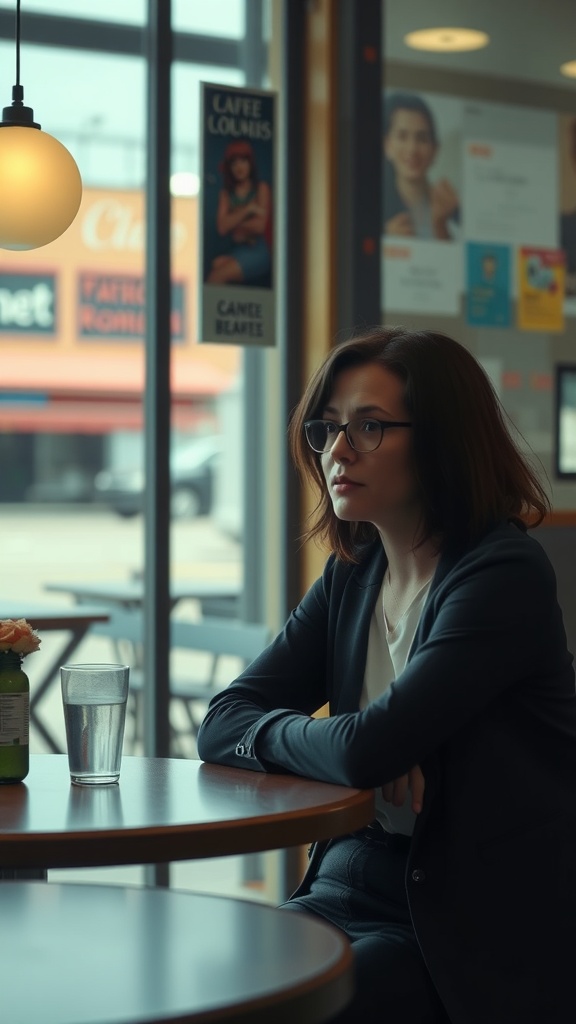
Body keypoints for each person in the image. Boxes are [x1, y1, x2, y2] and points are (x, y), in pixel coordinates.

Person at [197, 326, 576, 1024]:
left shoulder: (502, 575)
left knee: (294, 1007)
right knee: (214, 985)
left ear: (442, 442)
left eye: (369, 427)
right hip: (346, 877)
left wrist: (359, 747)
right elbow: (222, 721)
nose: (338, 452)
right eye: (328, 428)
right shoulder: (352, 574)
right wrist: (345, 745)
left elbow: (367, 748)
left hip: (464, 922)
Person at [383, 92, 459, 241]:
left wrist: (442, 229)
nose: (412, 149)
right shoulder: (375, 209)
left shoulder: (451, 209)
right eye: (402, 136)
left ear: (435, 150)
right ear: (388, 146)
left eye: (422, 138)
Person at [205, 139, 272, 286]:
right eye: (234, 163)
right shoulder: (226, 194)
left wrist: (234, 221)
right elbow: (222, 227)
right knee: (215, 266)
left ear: (250, 164)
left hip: (258, 250)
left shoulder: (261, 188)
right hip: (237, 249)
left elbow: (259, 226)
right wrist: (248, 209)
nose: (239, 167)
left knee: (216, 276)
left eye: (243, 161)